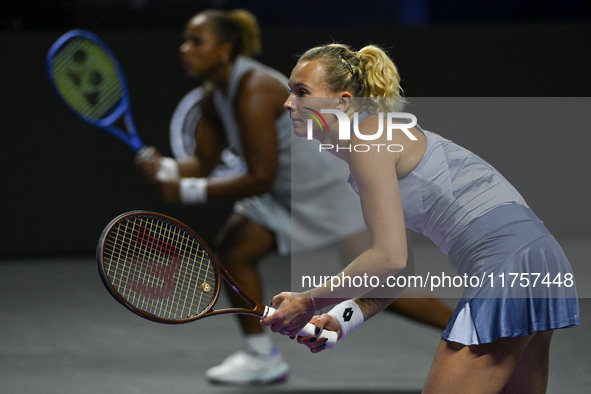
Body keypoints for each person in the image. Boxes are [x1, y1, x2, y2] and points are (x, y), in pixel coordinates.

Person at [138, 10, 452, 385]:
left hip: (323, 190)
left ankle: (467, 332)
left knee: (382, 285)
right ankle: (260, 356)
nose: (185, 49)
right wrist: (167, 169)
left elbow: (258, 177)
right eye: (185, 41)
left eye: (196, 42)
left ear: (224, 49)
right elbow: (204, 161)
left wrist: (186, 190)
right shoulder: (214, 95)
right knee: (236, 248)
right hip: (282, 194)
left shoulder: (253, 90)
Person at [261, 43, 580, 393]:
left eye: (302, 92)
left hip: (508, 265)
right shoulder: (374, 141)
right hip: (542, 259)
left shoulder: (368, 140)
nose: (288, 103)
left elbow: (390, 258)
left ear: (343, 101)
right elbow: (399, 272)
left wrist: (308, 301)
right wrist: (339, 319)